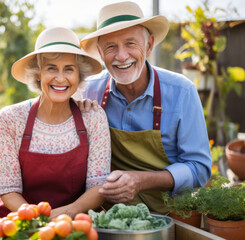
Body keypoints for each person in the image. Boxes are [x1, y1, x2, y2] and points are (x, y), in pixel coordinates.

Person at [79, 1, 212, 214]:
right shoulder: (87, 92)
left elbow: (199, 167)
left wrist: (142, 180)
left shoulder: (181, 92)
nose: (122, 56)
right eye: (111, 46)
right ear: (100, 53)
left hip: (168, 217)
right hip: (105, 216)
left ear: (149, 45)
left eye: (131, 43)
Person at [0, 27, 111, 218]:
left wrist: (63, 215)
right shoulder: (10, 119)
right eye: (51, 68)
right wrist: (38, 221)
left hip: (75, 218)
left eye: (69, 69)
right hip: (20, 219)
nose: (60, 78)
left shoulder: (93, 118)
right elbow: (9, 189)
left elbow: (99, 187)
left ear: (79, 75)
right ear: (38, 73)